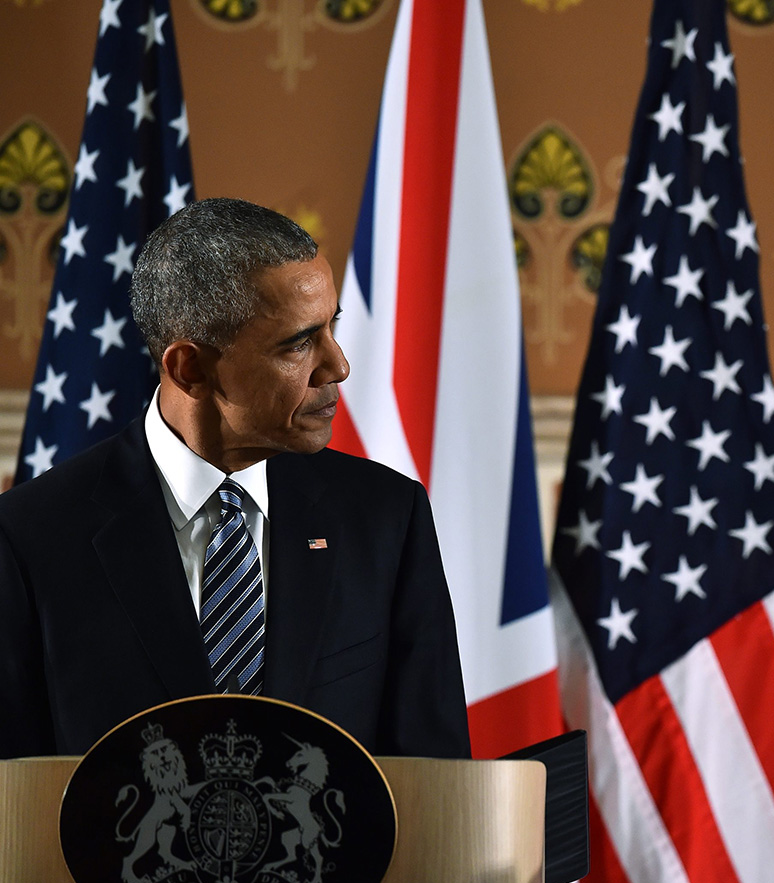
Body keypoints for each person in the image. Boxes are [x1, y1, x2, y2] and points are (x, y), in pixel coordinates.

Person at [0, 198, 470, 758]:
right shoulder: (31, 535)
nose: (338, 366)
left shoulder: (387, 516)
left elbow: (435, 777)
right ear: (189, 368)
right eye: (299, 343)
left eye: (331, 328)